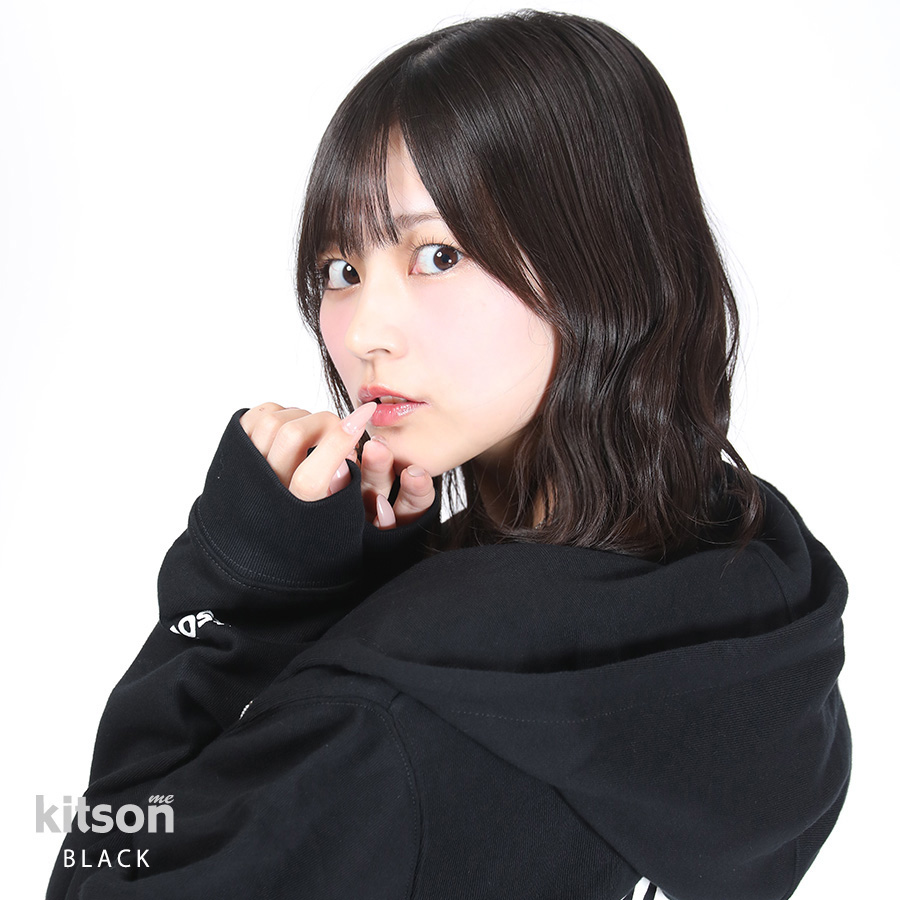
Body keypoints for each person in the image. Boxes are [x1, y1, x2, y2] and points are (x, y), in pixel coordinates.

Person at [46, 9, 850, 900]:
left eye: (436, 254)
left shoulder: (384, 725)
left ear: (607, 258)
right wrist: (373, 583)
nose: (365, 333)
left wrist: (235, 589)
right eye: (341, 271)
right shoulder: (758, 617)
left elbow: (103, 867)